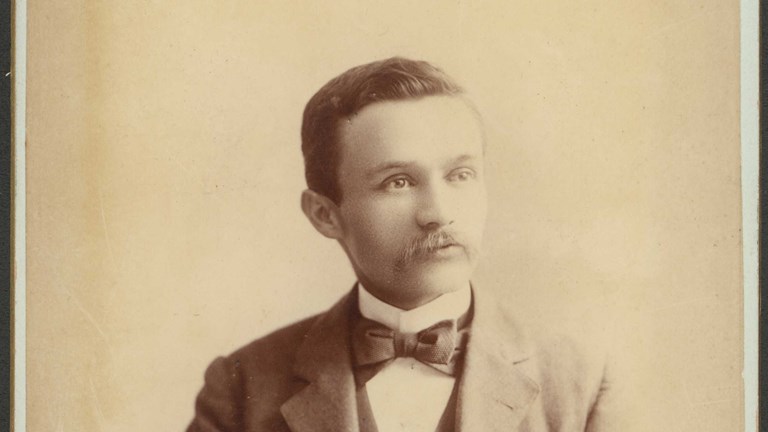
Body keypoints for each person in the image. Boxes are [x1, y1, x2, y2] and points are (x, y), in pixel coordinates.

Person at [187, 57, 625, 432]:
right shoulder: (241, 388)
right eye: (398, 182)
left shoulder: (579, 381)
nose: (438, 212)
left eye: (460, 175)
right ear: (325, 214)